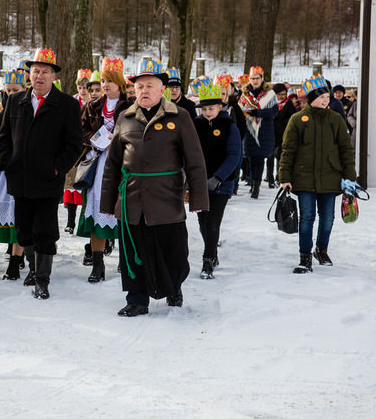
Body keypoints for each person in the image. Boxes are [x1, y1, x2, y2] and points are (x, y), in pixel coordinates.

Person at [100, 58, 208, 316]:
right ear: (133, 90)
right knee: (133, 251)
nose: (144, 91)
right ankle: (136, 299)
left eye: (150, 85)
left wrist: (199, 199)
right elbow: (113, 164)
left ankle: (174, 287)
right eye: (139, 86)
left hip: (166, 198)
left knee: (173, 249)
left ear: (162, 90)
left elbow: (195, 161)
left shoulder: (179, 117)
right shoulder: (125, 118)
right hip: (132, 199)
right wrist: (107, 202)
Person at [0, 49, 83, 299]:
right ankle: (33, 269)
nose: (39, 76)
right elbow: (4, 136)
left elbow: (74, 143)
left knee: (45, 229)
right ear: (29, 74)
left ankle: (42, 278)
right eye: (35, 71)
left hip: (47, 179)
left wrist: (57, 167)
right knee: (24, 229)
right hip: (19, 177)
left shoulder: (66, 104)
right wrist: (6, 162)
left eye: (45, 71)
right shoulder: (16, 100)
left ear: (54, 76)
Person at [279, 76, 356, 274]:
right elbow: (287, 150)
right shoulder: (297, 120)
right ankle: (305, 256)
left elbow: (346, 150)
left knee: (328, 218)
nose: (326, 100)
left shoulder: (336, 120)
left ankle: (321, 249)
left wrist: (350, 178)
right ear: (312, 98)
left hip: (330, 177)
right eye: (321, 97)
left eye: (327, 97)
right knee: (307, 218)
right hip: (304, 178)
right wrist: (285, 178)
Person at [77, 57, 131, 283]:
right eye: (103, 80)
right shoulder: (92, 106)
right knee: (98, 209)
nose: (105, 85)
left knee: (122, 211)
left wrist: (117, 140)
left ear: (119, 83)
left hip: (123, 163)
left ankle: (124, 261)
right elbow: (81, 131)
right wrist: (97, 139)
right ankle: (97, 264)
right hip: (98, 161)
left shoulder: (130, 106)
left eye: (110, 81)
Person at [193, 85, 241, 279]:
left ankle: (208, 259)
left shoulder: (229, 126)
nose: (207, 113)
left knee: (213, 222)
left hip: (221, 182)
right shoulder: (195, 125)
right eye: (203, 109)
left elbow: (234, 155)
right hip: (199, 182)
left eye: (210, 109)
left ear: (220, 107)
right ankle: (213, 252)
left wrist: (218, 178)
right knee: (202, 221)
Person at [0, 70, 27, 280]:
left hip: (24, 169)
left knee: (22, 215)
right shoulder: (3, 109)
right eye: (9, 90)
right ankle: (14, 256)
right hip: (7, 168)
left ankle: (17, 259)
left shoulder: (28, 107)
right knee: (11, 214)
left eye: (17, 90)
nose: (12, 93)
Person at [238, 66, 278, 199]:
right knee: (250, 157)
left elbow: (274, 111)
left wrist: (258, 112)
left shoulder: (269, 93)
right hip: (249, 129)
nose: (255, 81)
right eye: (252, 78)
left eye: (257, 78)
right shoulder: (245, 93)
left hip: (264, 130)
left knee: (260, 158)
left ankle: (257, 185)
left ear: (262, 79)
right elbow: (240, 109)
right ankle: (252, 181)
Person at [63, 69, 93, 234]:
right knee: (71, 184)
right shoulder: (73, 101)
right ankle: (70, 221)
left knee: (84, 184)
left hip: (87, 148)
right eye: (80, 87)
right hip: (74, 148)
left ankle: (84, 218)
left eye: (85, 87)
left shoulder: (94, 103)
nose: (83, 90)